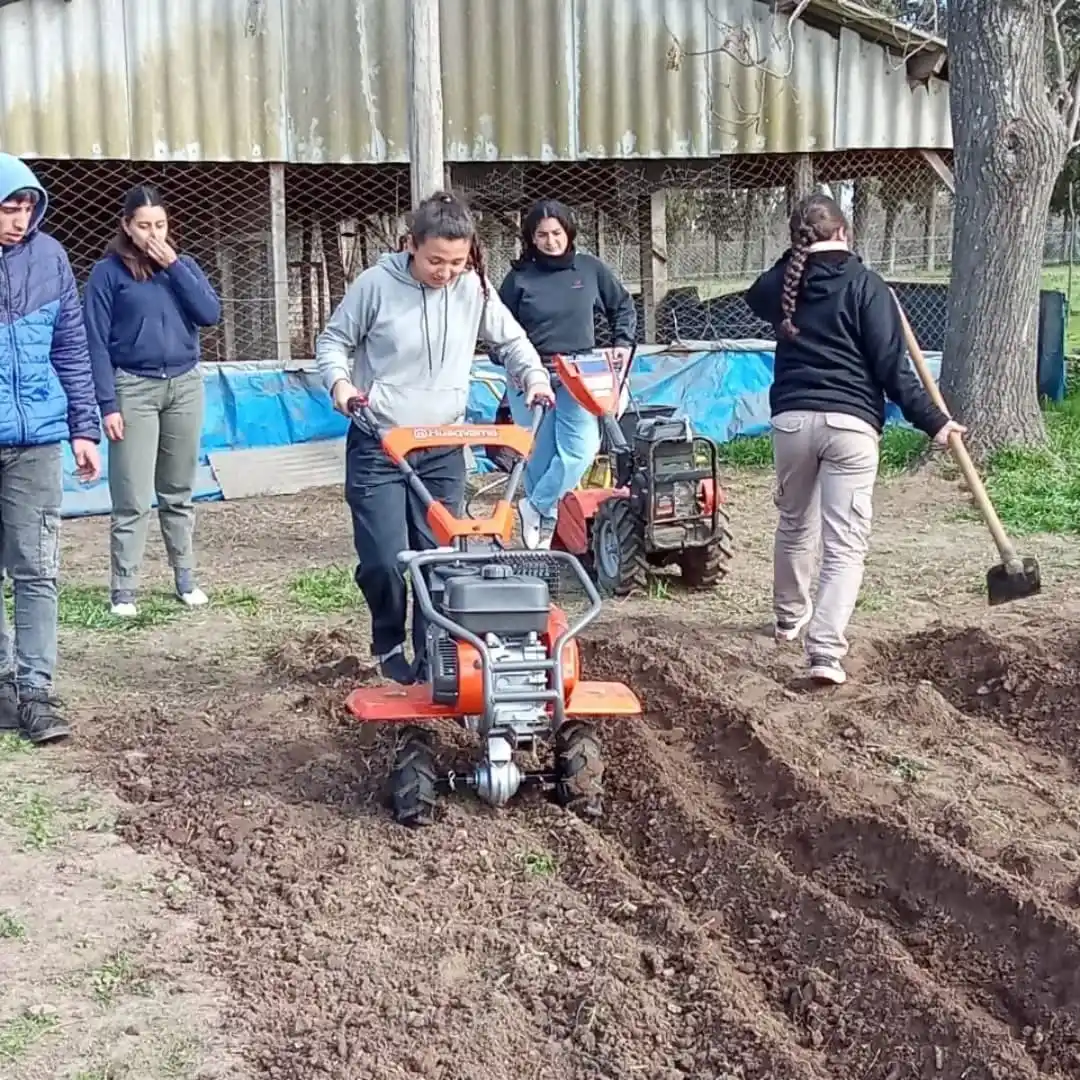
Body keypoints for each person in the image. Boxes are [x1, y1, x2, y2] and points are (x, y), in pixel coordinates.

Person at [316, 191, 553, 685]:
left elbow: (512, 342)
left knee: (440, 559)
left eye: (456, 262)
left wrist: (534, 377)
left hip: (443, 445)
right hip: (381, 441)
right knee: (384, 560)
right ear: (410, 245)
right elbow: (334, 341)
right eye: (435, 261)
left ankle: (431, 654)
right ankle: (387, 640)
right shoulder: (375, 285)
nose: (445, 272)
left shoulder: (474, 288)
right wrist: (341, 385)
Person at [745, 193, 964, 687]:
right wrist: (935, 421)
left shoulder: (787, 281)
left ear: (797, 239)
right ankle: (824, 650)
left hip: (792, 423)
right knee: (844, 543)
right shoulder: (867, 285)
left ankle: (787, 619)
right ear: (845, 232)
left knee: (795, 523)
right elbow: (893, 369)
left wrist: (796, 252)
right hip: (851, 427)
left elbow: (756, 294)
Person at [0, 153, 102, 743]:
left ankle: (36, 692)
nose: (19, 219)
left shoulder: (51, 257)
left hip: (36, 439)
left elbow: (70, 346)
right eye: (8, 208)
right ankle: (2, 683)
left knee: (37, 568)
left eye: (27, 207)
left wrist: (83, 428)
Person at [83, 185, 221, 618]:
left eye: (159, 225)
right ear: (126, 226)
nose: (152, 234)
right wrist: (107, 404)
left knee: (179, 491)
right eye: (143, 226)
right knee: (133, 496)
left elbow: (210, 313)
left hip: (183, 384)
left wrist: (174, 265)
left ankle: (185, 580)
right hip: (133, 387)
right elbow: (95, 343)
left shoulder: (184, 266)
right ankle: (124, 590)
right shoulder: (107, 274)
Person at [497, 199, 637, 549]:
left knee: (580, 450)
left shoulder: (588, 269)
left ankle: (535, 506)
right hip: (531, 375)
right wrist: (512, 364)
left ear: (568, 232)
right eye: (541, 234)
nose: (550, 241)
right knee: (539, 459)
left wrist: (622, 342)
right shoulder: (518, 279)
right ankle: (542, 542)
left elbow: (622, 305)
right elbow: (495, 332)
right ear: (531, 238)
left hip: (580, 372)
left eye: (556, 233)